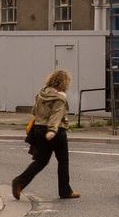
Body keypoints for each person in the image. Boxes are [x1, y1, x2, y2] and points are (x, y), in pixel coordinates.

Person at [12, 68, 79, 201]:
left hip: (38, 129)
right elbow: (57, 114)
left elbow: (34, 111)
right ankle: (65, 191)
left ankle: (19, 181)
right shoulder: (60, 98)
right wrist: (52, 130)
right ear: (64, 83)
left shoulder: (41, 93)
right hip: (55, 132)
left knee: (41, 161)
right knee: (63, 161)